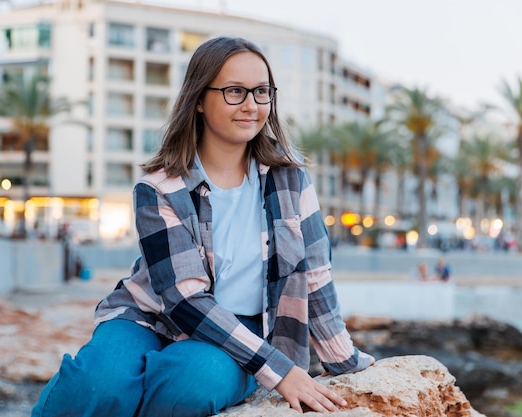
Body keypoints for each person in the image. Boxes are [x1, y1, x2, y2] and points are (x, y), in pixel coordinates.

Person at [31, 36, 375, 417]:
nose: (251, 105)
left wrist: (343, 360)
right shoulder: (159, 189)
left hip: (247, 326)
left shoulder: (290, 177)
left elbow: (315, 273)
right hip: (151, 318)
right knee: (96, 385)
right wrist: (280, 372)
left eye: (262, 92)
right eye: (234, 91)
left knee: (189, 384)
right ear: (198, 100)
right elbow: (184, 300)